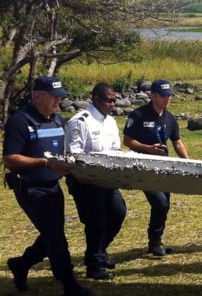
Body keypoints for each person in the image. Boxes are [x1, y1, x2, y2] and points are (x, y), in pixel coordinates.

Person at [3, 76, 92, 296]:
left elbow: (60, 155)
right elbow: (10, 158)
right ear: (38, 96)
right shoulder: (20, 122)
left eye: (60, 97)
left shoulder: (58, 121)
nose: (58, 101)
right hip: (31, 187)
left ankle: (21, 264)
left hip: (53, 186)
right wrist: (43, 163)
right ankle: (69, 284)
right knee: (56, 237)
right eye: (54, 97)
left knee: (52, 234)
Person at [65, 83, 127, 280]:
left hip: (107, 180)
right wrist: (86, 176)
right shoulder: (80, 121)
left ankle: (98, 252)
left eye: (114, 100)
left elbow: (115, 150)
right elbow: (75, 155)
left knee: (118, 213)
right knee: (96, 222)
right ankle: (94, 265)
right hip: (85, 181)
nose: (112, 104)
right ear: (96, 99)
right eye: (109, 100)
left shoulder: (110, 122)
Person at [123, 79, 189, 256]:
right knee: (159, 202)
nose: (167, 99)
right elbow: (127, 141)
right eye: (163, 96)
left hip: (164, 167)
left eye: (169, 96)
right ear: (153, 96)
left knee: (165, 204)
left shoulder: (170, 118)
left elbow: (177, 142)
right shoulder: (138, 115)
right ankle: (155, 240)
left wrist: (189, 162)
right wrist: (148, 149)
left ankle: (155, 241)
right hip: (143, 167)